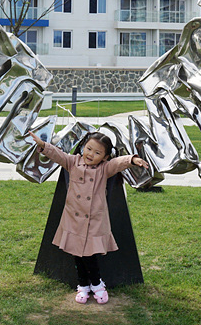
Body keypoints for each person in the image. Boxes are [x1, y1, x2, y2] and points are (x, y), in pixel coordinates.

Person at [27, 130, 150, 305]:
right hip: (74, 219)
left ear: (105, 157)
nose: (91, 154)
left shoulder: (104, 169)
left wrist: (132, 160)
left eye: (97, 152)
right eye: (88, 148)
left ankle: (97, 284)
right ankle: (83, 284)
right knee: (77, 254)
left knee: (90, 255)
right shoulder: (72, 162)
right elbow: (58, 155)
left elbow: (117, 163)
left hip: (94, 221)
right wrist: (43, 146)